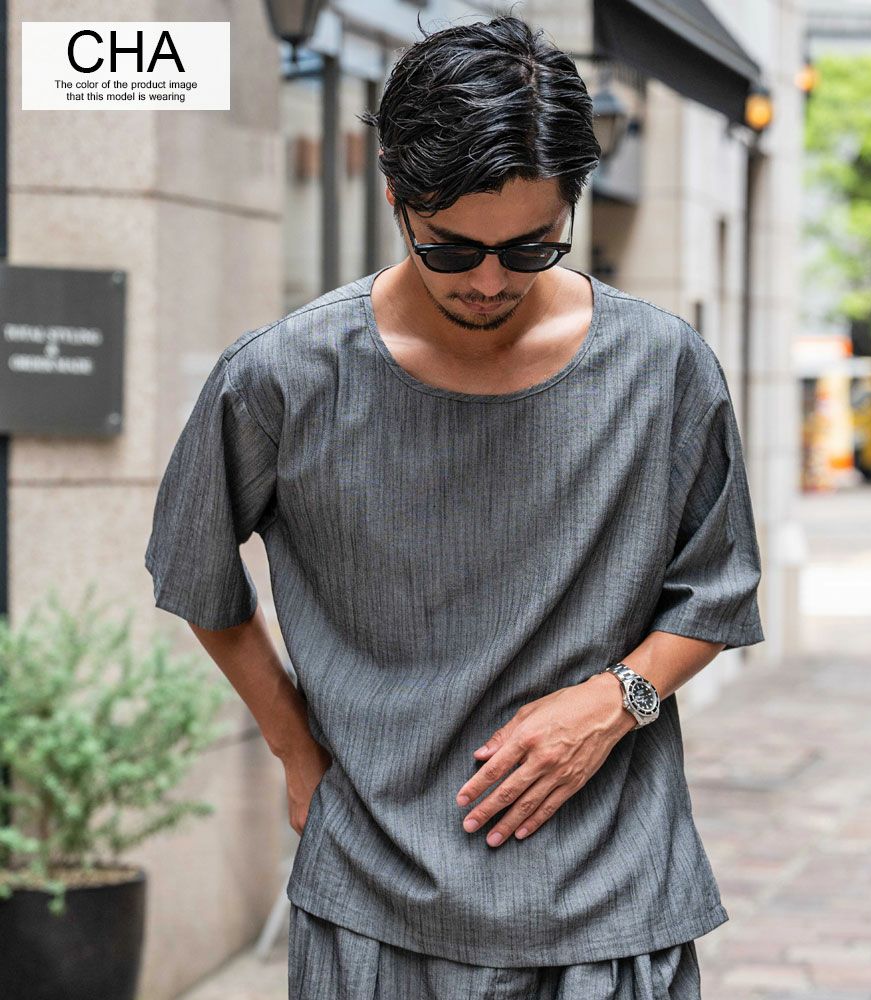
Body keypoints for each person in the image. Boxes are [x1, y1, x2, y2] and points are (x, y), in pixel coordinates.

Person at [144, 12, 765, 999]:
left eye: (530, 247)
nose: (487, 281)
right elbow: (196, 572)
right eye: (450, 249)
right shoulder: (284, 376)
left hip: (609, 897)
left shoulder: (662, 368)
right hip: (375, 900)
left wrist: (618, 698)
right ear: (395, 196)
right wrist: (296, 750)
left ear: (570, 203)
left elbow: (719, 587)